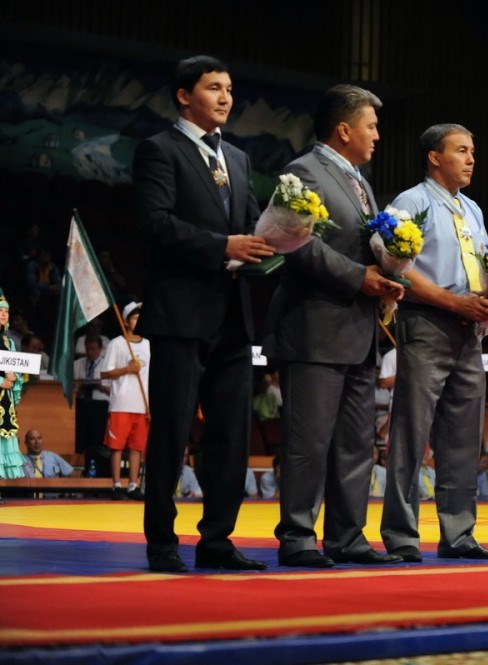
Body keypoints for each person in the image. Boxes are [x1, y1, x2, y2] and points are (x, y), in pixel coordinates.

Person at [133, 55, 274, 573]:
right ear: (184, 95)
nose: (225, 97)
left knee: (231, 436)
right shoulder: (159, 149)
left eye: (229, 89)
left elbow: (252, 224)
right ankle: (161, 542)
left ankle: (217, 539)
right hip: (181, 313)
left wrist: (280, 239)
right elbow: (155, 224)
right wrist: (222, 246)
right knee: (172, 432)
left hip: (234, 315)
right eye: (214, 87)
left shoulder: (237, 157)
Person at [266, 84, 405, 568]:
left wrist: (388, 276)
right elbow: (294, 240)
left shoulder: (360, 182)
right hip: (315, 328)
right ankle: (298, 537)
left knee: (355, 443)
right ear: (344, 130)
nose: (377, 135)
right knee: (308, 443)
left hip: (358, 329)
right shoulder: (303, 171)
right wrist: (358, 277)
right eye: (371, 126)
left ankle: (347, 537)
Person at [379, 123, 488, 563]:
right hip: (427, 322)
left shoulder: (471, 208)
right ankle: (401, 534)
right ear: (435, 157)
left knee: (463, 438)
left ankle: (459, 533)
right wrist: (453, 301)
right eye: (461, 150)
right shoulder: (411, 202)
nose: (471, 159)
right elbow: (398, 268)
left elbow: (486, 267)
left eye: (473, 151)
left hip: (469, 329)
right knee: (411, 433)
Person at [99, 301, 150, 501]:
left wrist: (150, 406)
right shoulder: (117, 343)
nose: (138, 322)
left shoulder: (148, 345)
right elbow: (104, 373)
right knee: (117, 446)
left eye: (141, 318)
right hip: (121, 403)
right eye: (135, 318)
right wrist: (127, 369)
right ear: (127, 322)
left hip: (142, 404)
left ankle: (133, 485)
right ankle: (116, 485)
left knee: (137, 448)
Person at [0, 290, 27, 489]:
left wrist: (14, 377)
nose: (3, 314)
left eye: (6, 311)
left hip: (4, 401)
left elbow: (17, 369)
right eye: (0, 310)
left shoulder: (9, 343)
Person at [74, 334, 111, 476]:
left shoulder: (107, 365)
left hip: (100, 405)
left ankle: (98, 470)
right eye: (88, 348)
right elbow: (73, 386)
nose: (90, 352)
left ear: (100, 349)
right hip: (82, 404)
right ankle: (80, 469)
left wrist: (101, 386)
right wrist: (78, 386)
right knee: (81, 439)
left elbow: (114, 390)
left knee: (97, 440)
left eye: (93, 349)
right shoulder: (79, 363)